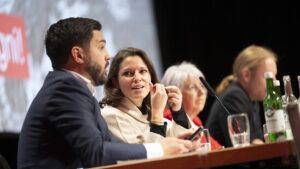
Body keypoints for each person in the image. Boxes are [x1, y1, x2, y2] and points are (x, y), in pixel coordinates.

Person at [17, 17, 195, 169]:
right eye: (101, 47)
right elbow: (96, 154)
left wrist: (174, 144)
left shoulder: (75, 90)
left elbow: (111, 146)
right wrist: (161, 149)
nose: (108, 55)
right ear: (78, 55)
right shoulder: (64, 90)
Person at [99, 47, 194, 143]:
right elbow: (150, 155)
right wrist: (157, 114)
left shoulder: (147, 112)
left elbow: (183, 143)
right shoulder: (111, 115)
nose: (137, 78)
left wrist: (178, 112)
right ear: (116, 83)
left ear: (150, 78)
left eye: (142, 71)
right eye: (128, 73)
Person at [205, 45, 278, 147]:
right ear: (246, 75)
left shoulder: (252, 99)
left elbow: (257, 140)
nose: (274, 81)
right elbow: (244, 146)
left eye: (274, 76)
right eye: (267, 76)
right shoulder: (234, 97)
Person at [161, 61, 223, 150]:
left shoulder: (195, 119)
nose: (202, 92)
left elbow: (217, 149)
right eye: (192, 87)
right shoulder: (169, 119)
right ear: (173, 93)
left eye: (202, 86)